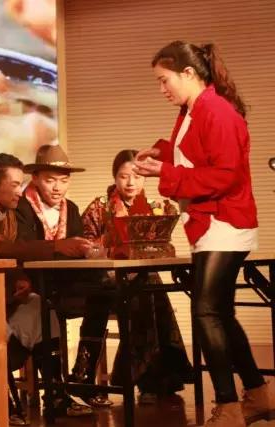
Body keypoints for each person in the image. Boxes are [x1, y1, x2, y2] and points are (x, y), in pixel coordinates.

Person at [134, 40, 274, 426]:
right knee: (219, 313)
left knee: (206, 312)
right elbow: (197, 156)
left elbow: (224, 175)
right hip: (212, 223)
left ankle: (228, 405)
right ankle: (258, 394)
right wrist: (163, 154)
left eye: (164, 80)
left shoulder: (217, 111)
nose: (162, 89)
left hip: (225, 221)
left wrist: (165, 172)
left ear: (189, 73)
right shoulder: (193, 110)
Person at [0, 152, 94, 421]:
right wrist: (56, 246)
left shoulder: (9, 213)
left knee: (40, 308)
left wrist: (19, 278)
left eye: (21, 184)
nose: (20, 191)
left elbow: (9, 256)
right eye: (14, 185)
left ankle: (56, 394)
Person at [81, 149, 192, 403]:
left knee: (149, 285)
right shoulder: (100, 207)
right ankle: (149, 379)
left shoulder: (153, 208)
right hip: (107, 281)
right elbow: (85, 247)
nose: (130, 182)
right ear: (114, 177)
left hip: (140, 280)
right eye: (123, 176)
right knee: (148, 288)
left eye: (137, 176)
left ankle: (154, 376)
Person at [14, 143, 115, 408]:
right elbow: (19, 249)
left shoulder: (70, 207)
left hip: (65, 282)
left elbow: (78, 247)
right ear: (35, 178)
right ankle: (55, 388)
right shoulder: (21, 207)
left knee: (102, 297)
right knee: (43, 307)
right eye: (50, 180)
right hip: (33, 283)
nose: (58, 188)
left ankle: (83, 374)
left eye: (64, 180)